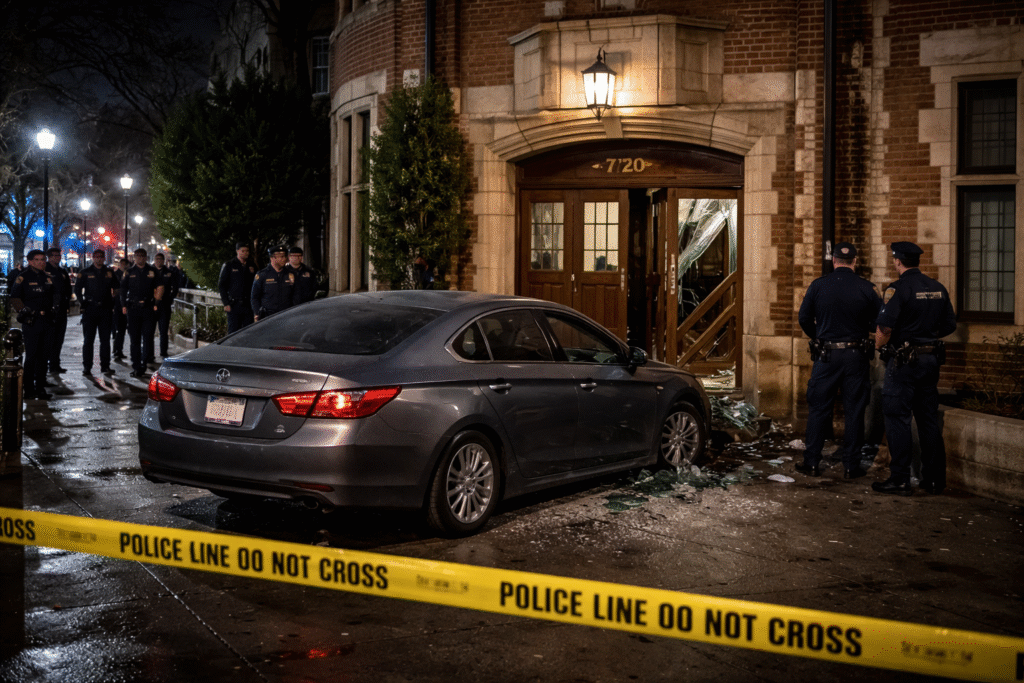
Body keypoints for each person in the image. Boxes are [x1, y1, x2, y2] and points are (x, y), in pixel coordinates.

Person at [872, 241, 958, 496]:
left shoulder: (898, 289)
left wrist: (882, 346)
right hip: (930, 362)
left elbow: (884, 328)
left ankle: (899, 479)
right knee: (928, 420)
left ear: (898, 261)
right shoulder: (937, 288)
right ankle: (933, 480)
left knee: (897, 418)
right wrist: (927, 336)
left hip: (905, 363)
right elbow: (950, 325)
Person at [797, 242, 882, 478]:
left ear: (833, 261)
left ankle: (812, 462)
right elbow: (879, 322)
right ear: (855, 261)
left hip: (826, 355)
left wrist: (820, 335)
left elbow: (803, 318)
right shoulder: (867, 288)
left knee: (818, 409)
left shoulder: (818, 286)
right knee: (854, 410)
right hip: (856, 355)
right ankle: (850, 466)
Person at [10, 250, 56, 400]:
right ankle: (28, 388)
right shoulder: (23, 277)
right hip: (32, 321)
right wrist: (25, 312)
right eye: (37, 260)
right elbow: (15, 298)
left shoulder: (48, 278)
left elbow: (54, 296)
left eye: (43, 259)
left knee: (44, 356)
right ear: (29, 261)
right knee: (31, 356)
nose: (41, 262)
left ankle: (40, 387)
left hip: (47, 321)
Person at [74, 249, 119, 376]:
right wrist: (82, 302)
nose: (99, 259)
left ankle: (105, 366)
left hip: (105, 309)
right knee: (88, 340)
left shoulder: (109, 272)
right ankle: (87, 367)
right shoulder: (85, 272)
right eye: (97, 257)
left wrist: (113, 300)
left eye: (101, 257)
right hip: (90, 309)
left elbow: (116, 287)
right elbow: (77, 289)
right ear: (93, 258)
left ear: (104, 258)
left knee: (105, 340)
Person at [120, 248, 164, 379]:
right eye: (137, 255)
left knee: (148, 338)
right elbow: (123, 290)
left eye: (142, 256)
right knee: (134, 340)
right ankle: (136, 366)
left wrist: (156, 303)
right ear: (134, 257)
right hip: (133, 308)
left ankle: (144, 365)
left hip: (148, 308)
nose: (140, 258)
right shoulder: (129, 272)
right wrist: (123, 305)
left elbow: (160, 287)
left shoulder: (153, 271)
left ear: (146, 257)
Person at [218, 243, 257, 333]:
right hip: (234, 305)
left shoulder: (252, 265)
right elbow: (222, 285)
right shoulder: (229, 265)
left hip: (248, 305)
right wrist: (225, 303)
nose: (245, 253)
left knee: (248, 331)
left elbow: (256, 284)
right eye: (243, 251)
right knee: (233, 331)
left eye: (247, 251)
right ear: (237, 251)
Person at [45, 247, 72, 375]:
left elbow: (67, 289)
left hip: (61, 309)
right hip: (49, 310)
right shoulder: (45, 271)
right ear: (49, 257)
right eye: (54, 256)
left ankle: (55, 364)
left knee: (59, 339)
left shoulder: (62, 271)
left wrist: (67, 304)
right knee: (49, 339)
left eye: (58, 255)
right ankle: (46, 366)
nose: (57, 257)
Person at [251, 245, 295, 321]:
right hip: (268, 316)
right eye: (281, 257)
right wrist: (257, 313)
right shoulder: (262, 275)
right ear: (272, 258)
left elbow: (295, 295)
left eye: (284, 256)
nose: (284, 259)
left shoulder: (290, 274)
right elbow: (255, 297)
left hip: (286, 315)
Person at [152, 252, 179, 361]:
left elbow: (175, 287)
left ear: (164, 261)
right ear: (154, 260)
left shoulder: (169, 272)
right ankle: (149, 353)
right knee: (149, 331)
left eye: (161, 259)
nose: (159, 261)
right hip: (151, 304)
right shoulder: (149, 271)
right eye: (157, 259)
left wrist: (170, 299)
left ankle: (163, 352)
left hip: (164, 305)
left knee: (163, 331)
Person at [111, 257, 130, 360]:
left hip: (127, 305)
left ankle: (119, 350)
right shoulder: (115, 274)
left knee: (122, 330)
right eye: (123, 264)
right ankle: (116, 350)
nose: (124, 266)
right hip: (117, 305)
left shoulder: (129, 274)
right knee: (118, 330)